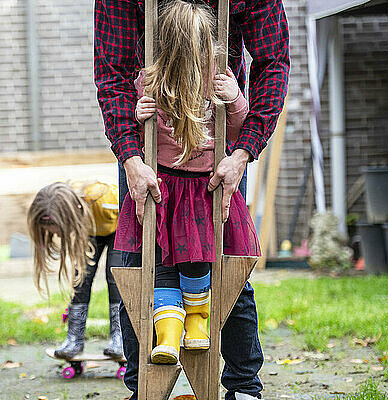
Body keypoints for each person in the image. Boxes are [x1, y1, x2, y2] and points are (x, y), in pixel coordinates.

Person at [94, 0, 290, 398]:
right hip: (155, 168)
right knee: (142, 266)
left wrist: (242, 152)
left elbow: (273, 62)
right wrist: (131, 153)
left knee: (228, 266)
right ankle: (145, 386)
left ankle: (243, 385)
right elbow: (112, 73)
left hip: (216, 166)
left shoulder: (219, 78)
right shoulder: (149, 78)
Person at [114, 0, 260, 365]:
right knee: (157, 263)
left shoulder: (217, 80)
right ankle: (166, 336)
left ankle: (198, 324)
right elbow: (132, 121)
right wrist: (139, 113)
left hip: (205, 187)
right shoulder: (150, 80)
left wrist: (236, 100)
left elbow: (239, 130)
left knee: (204, 263)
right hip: (164, 186)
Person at [27, 181, 124, 359]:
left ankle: (120, 338)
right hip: (90, 231)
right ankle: (74, 339)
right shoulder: (71, 208)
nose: (55, 235)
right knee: (81, 278)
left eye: (55, 230)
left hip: (119, 229)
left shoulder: (102, 199)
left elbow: (129, 208)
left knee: (115, 278)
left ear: (67, 218)